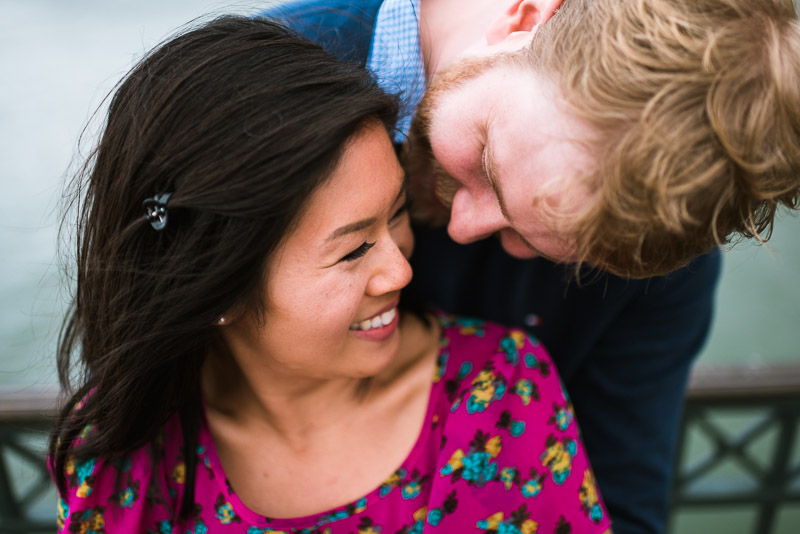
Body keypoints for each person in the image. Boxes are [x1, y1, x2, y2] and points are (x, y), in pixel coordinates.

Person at [49, 17, 613, 534]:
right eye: (352, 252)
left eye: (397, 214)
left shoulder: (501, 397)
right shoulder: (119, 451)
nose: (399, 269)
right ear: (216, 285)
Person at [261, 1, 800, 533]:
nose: (461, 228)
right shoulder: (253, 90)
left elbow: (618, 502)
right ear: (524, 16)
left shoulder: (648, 256)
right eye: (488, 163)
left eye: (535, 242)